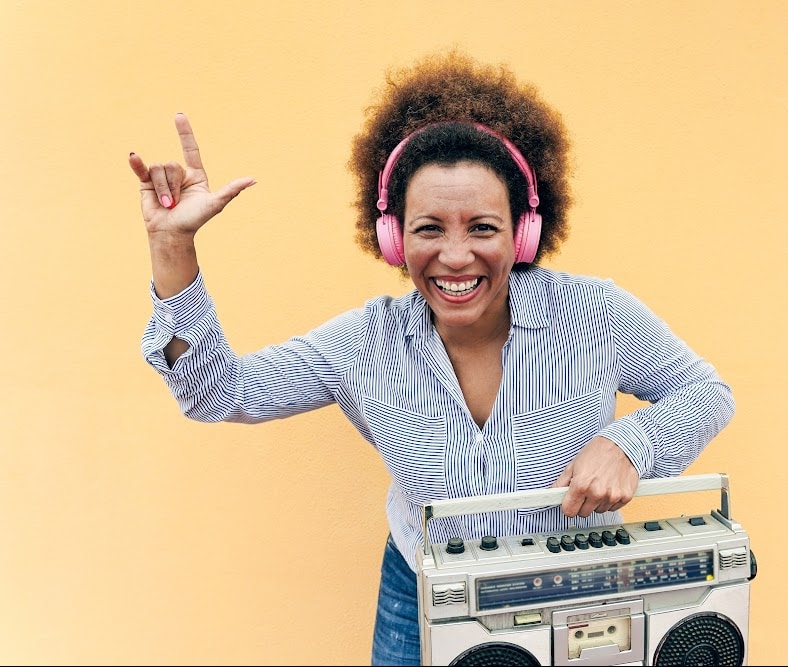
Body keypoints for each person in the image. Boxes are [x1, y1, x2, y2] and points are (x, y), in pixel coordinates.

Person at [129, 49, 735, 666]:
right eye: (428, 229)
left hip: (573, 596)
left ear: (523, 233)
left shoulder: (596, 314)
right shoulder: (364, 342)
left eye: (482, 227)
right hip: (419, 594)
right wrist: (172, 244)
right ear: (393, 238)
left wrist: (628, 446)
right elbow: (216, 394)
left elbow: (709, 395)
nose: (454, 255)